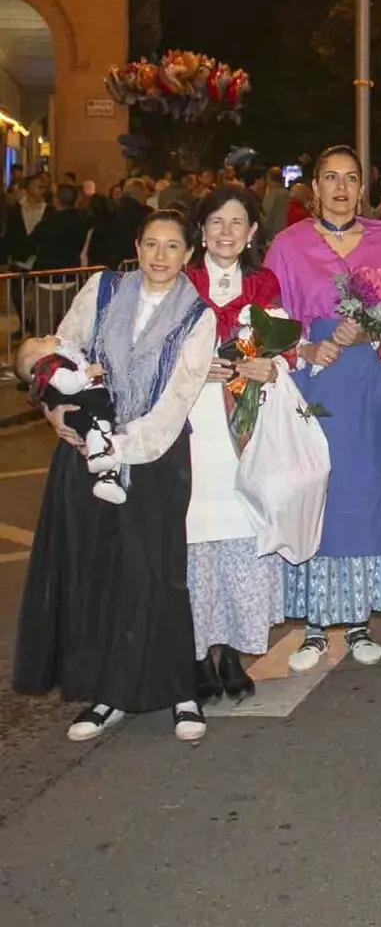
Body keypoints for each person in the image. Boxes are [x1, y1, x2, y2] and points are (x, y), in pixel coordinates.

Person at [12, 209, 217, 742]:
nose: (160, 256)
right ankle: (108, 693)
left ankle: (180, 691)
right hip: (84, 447)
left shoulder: (199, 315)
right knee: (100, 570)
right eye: (151, 244)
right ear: (136, 245)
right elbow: (61, 349)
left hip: (155, 456)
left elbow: (177, 399)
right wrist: (58, 411)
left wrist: (121, 447)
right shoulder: (104, 288)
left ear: (189, 255)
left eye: (173, 247)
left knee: (158, 572)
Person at [264, 145, 381, 673]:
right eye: (331, 178)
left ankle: (359, 623)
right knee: (313, 489)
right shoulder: (288, 244)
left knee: (364, 496)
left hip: (371, 383)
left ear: (362, 188)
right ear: (315, 188)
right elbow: (271, 318)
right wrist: (305, 346)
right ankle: (312, 627)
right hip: (314, 383)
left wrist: (370, 326)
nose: (341, 188)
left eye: (351, 179)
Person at [181, 187, 289, 703]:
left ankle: (232, 654)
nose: (226, 231)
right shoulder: (182, 280)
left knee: (241, 534)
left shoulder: (263, 283)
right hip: (191, 427)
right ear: (201, 230)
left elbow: (284, 349)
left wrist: (271, 365)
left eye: (237, 222)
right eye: (216, 221)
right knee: (194, 537)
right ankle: (197, 654)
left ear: (252, 233)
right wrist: (195, 371)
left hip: (244, 427)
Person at [15, 335, 124, 502]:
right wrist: (51, 410)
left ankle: (107, 478)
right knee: (102, 431)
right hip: (89, 404)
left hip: (106, 402)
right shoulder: (49, 365)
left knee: (111, 440)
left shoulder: (58, 355)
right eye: (40, 341)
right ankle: (97, 458)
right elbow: (64, 384)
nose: (48, 336)